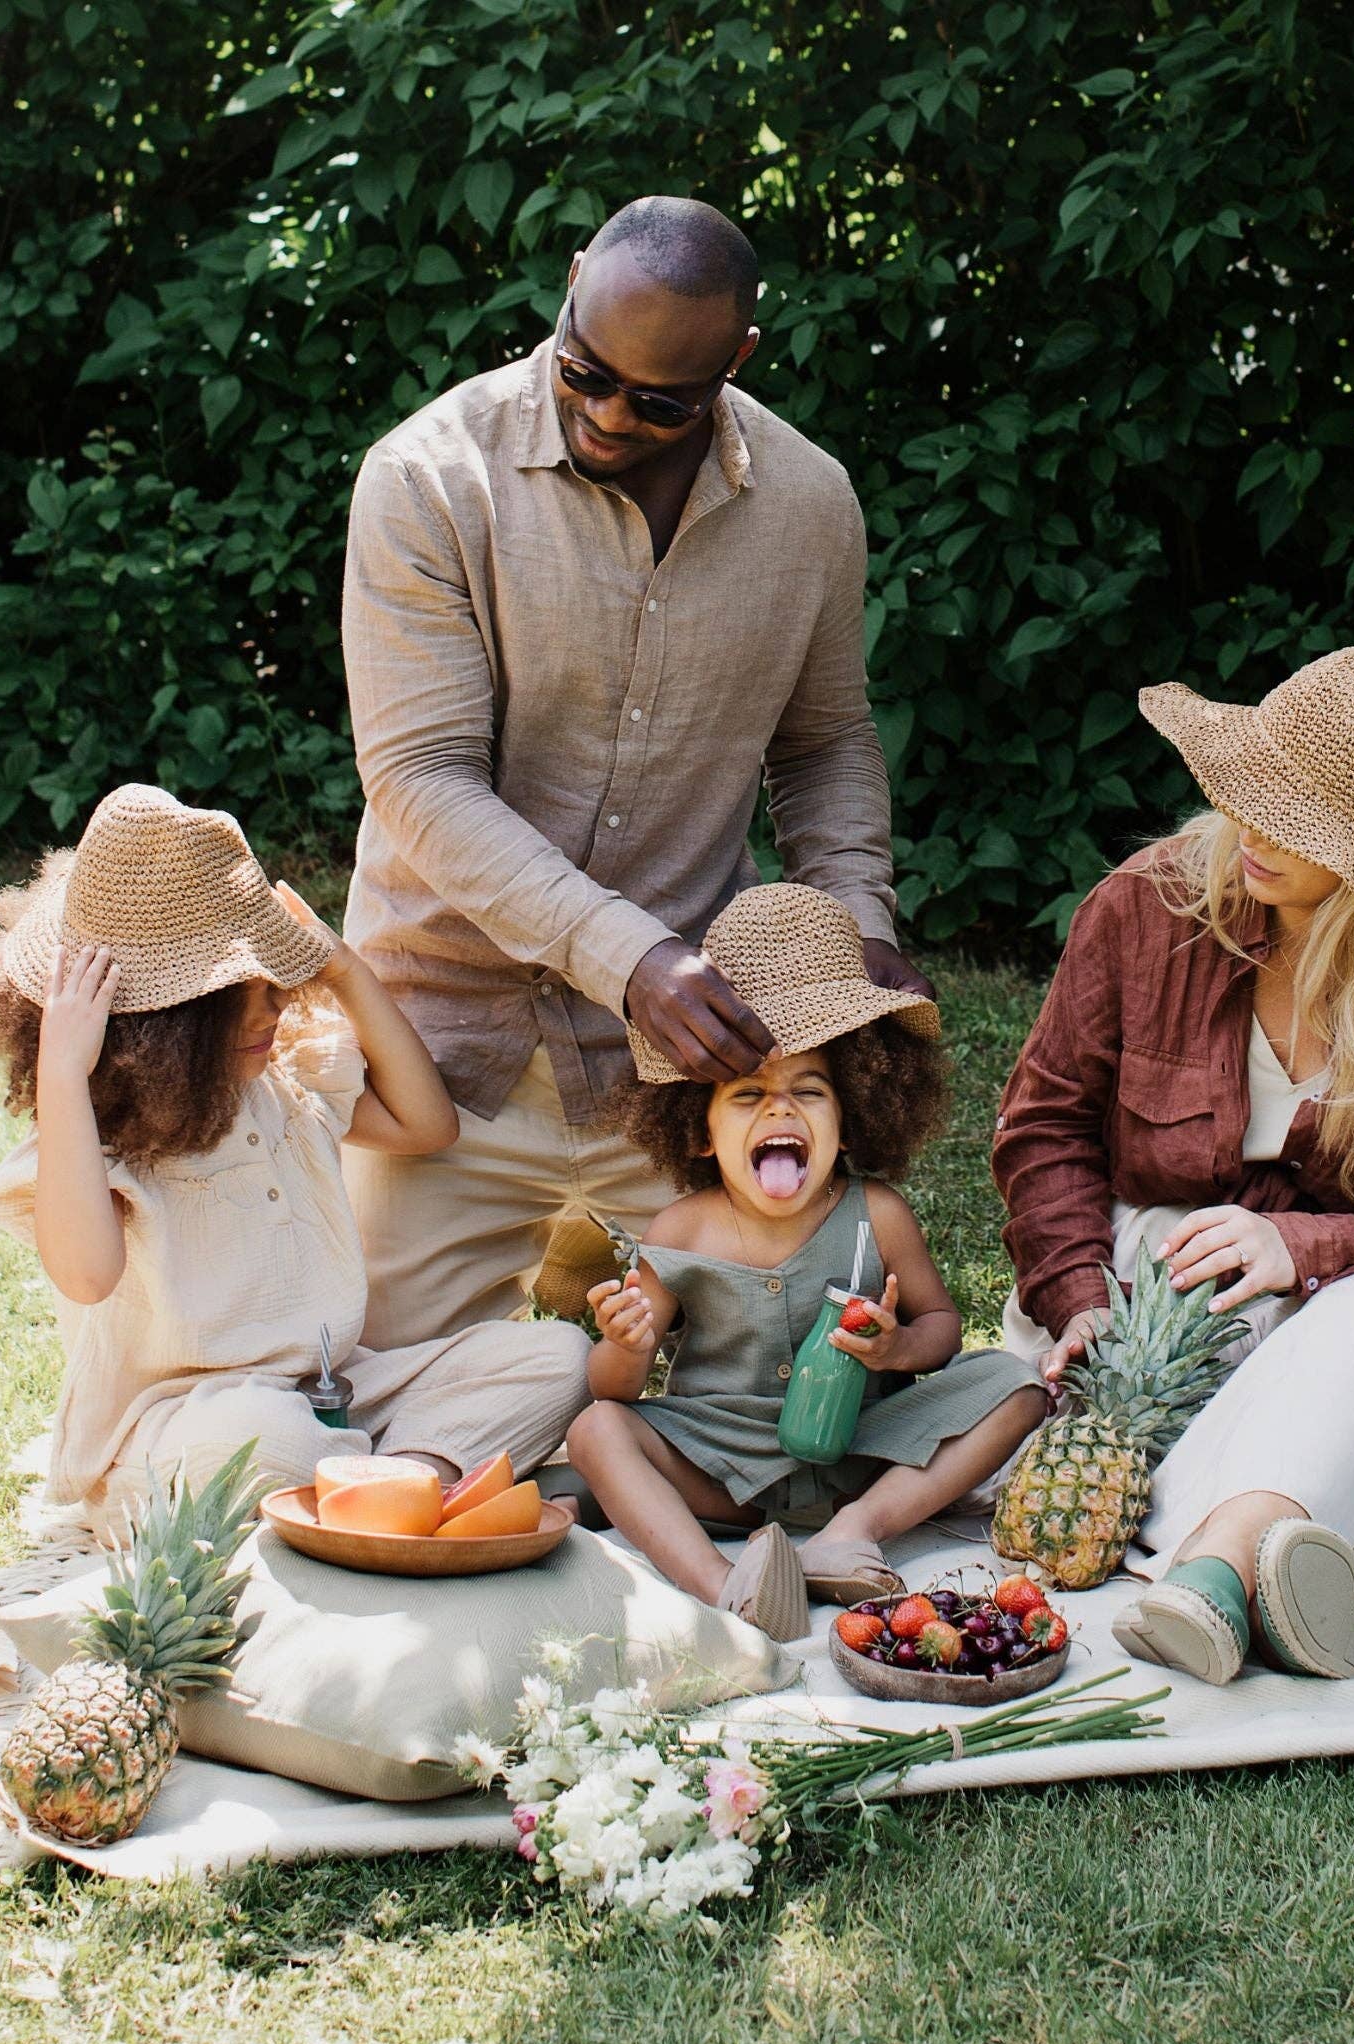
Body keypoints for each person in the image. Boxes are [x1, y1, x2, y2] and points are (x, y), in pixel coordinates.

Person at [340, 194, 930, 1349]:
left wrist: (855, 919)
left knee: (764, 1403)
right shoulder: (426, 477)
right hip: (441, 1051)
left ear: (739, 360)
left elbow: (824, 744)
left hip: (687, 1073)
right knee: (363, 1397)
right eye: (583, 371)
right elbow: (419, 777)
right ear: (569, 284)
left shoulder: (810, 505)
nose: (608, 415)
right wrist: (632, 955)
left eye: (661, 402)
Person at [993, 648, 1354, 1685]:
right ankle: (1249, 1571)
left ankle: (1206, 1564)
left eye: (1293, 818)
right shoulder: (1144, 908)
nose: (1249, 829)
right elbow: (1045, 1128)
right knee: (1175, 1348)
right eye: (1245, 790)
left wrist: (1304, 1244)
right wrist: (1075, 1296)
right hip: (1146, 1302)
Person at [0, 785, 591, 1538]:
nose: (275, 1007)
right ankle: (400, 1488)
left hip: (335, 1393)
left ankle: (395, 1490)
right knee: (265, 1439)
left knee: (556, 1357)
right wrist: (62, 1075)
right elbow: (86, 1274)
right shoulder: (94, 1140)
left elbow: (427, 1124)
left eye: (275, 981)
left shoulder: (285, 1079)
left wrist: (343, 969)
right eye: (240, 995)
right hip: (181, 1432)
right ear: (166, 1023)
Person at [564, 885, 1047, 1642]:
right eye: (747, 1096)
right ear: (698, 1129)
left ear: (852, 1114)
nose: (779, 1112)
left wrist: (897, 1347)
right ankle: (727, 1586)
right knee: (596, 1431)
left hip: (860, 1447)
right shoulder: (681, 1230)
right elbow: (614, 1390)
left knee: (1015, 1384)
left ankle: (855, 1532)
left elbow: (945, 1328)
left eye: (809, 1092)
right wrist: (627, 1347)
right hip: (724, 1465)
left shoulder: (876, 1214)